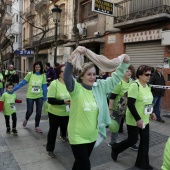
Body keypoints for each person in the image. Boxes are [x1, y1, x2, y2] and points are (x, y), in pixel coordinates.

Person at [64, 46, 130, 170]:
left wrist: (124, 64)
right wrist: (71, 59)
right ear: (81, 76)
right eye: (88, 74)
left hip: (92, 135)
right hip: (77, 136)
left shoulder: (100, 86)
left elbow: (115, 78)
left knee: (79, 163)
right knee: (85, 165)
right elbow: (67, 77)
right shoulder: (76, 89)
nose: (92, 77)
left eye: (94, 74)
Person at [111, 65, 156, 170]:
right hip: (134, 119)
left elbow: (149, 102)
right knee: (132, 140)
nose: (149, 76)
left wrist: (152, 112)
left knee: (145, 141)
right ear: (140, 75)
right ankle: (116, 149)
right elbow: (130, 104)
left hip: (145, 119)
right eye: (147, 74)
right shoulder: (135, 86)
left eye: (150, 74)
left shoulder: (147, 86)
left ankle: (142, 163)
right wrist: (138, 119)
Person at [13, 61, 47, 133]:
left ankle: (36, 126)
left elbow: (44, 87)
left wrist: (45, 97)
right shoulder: (30, 74)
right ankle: (26, 118)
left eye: (39, 67)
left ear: (41, 67)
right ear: (34, 67)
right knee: (30, 111)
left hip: (39, 96)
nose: (37, 68)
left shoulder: (43, 75)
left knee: (39, 111)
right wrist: (13, 89)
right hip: (30, 96)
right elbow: (22, 83)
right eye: (36, 67)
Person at [46, 64, 70, 158]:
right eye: (64, 71)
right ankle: (50, 149)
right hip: (54, 112)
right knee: (53, 131)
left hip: (68, 112)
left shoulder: (71, 83)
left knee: (65, 126)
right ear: (59, 74)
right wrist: (63, 102)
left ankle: (63, 135)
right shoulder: (54, 84)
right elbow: (50, 100)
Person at [108, 66, 133, 147]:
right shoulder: (119, 83)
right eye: (127, 71)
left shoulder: (131, 82)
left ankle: (132, 142)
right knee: (116, 127)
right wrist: (110, 110)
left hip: (128, 109)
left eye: (130, 71)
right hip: (117, 109)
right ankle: (112, 142)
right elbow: (112, 98)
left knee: (131, 126)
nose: (129, 73)